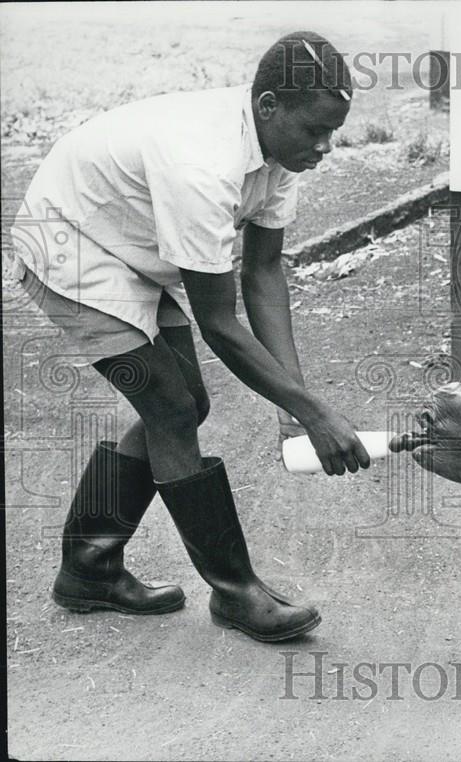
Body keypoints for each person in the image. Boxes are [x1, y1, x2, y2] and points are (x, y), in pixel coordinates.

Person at [8, 31, 369, 642]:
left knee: (186, 404)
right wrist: (314, 413)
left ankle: (88, 569)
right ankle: (236, 592)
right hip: (69, 244)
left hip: (138, 237)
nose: (325, 146)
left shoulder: (280, 152)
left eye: (333, 132)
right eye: (315, 130)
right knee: (171, 407)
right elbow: (220, 325)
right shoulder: (204, 164)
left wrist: (294, 404)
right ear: (268, 106)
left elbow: (262, 270)